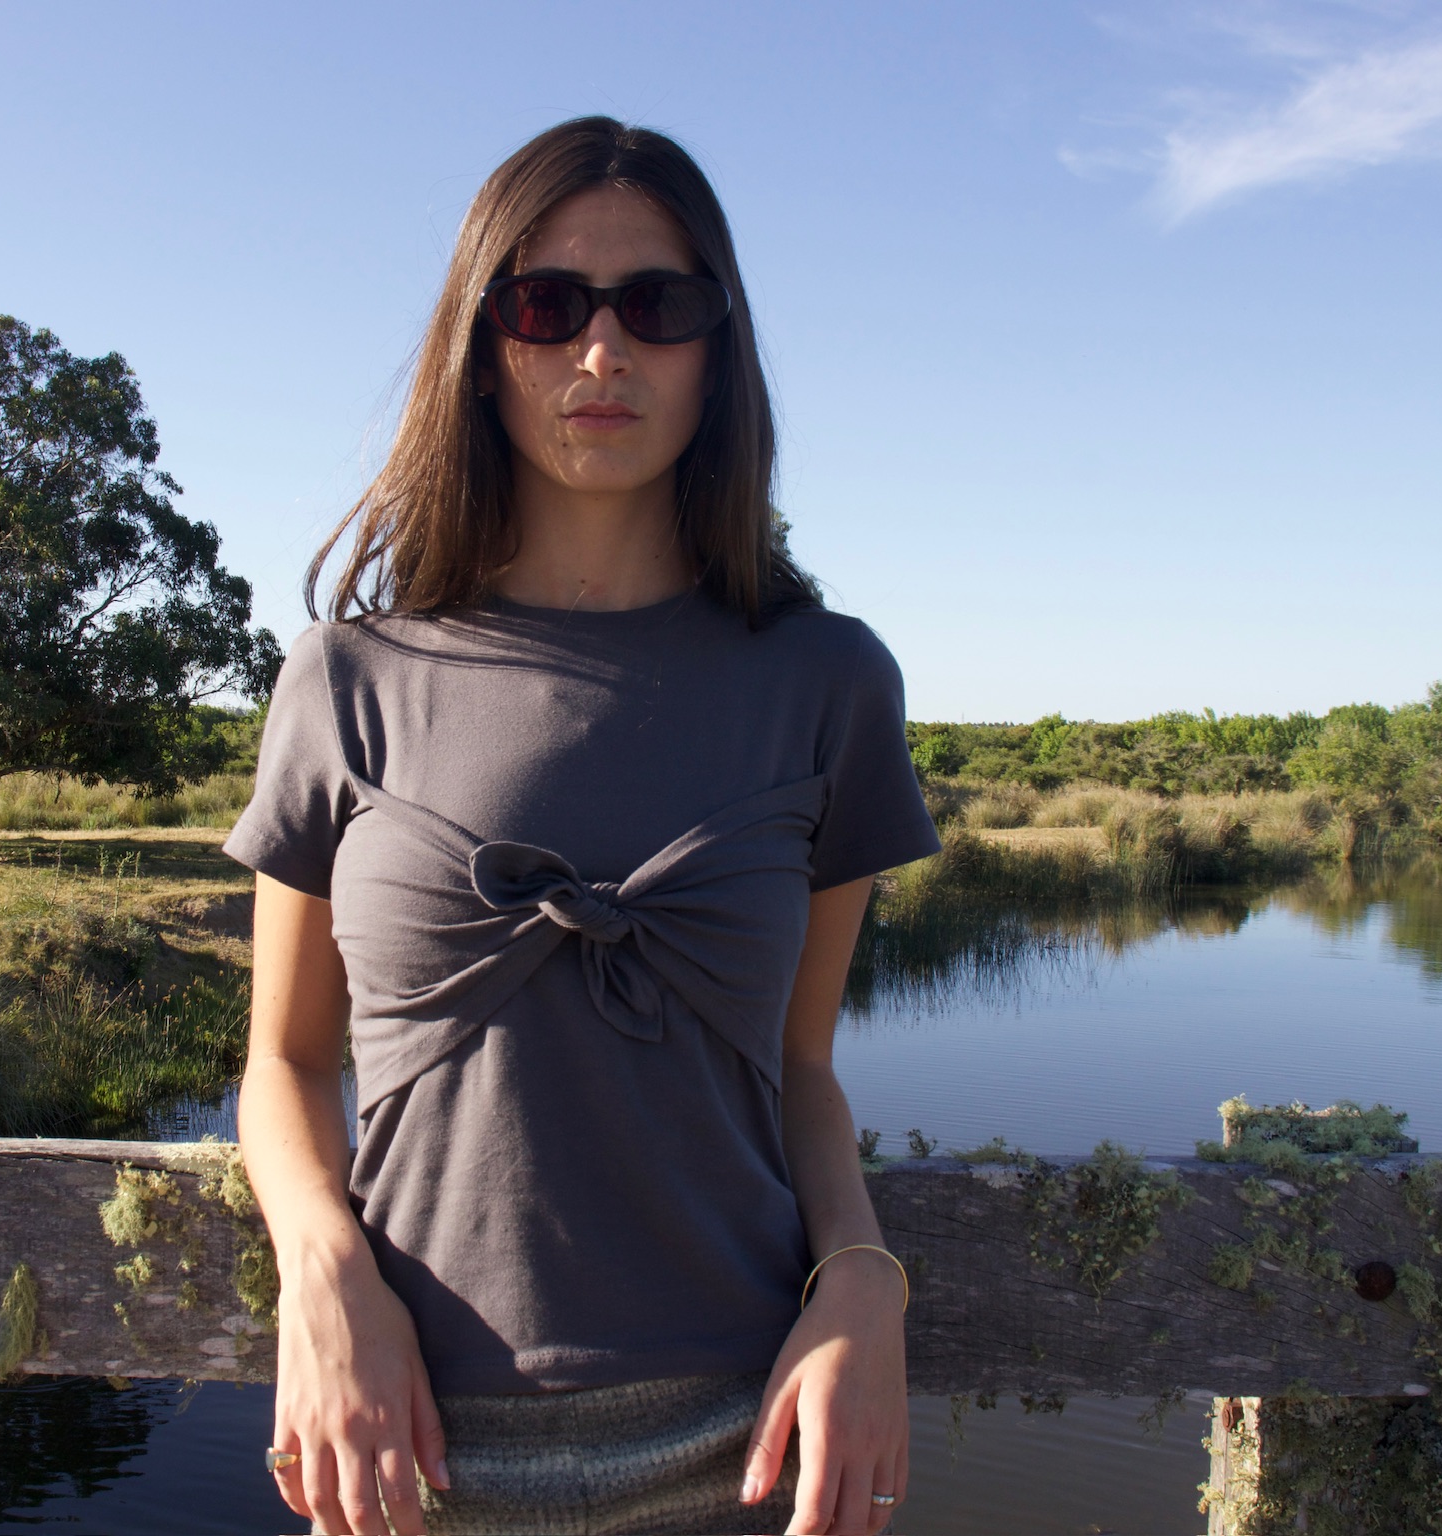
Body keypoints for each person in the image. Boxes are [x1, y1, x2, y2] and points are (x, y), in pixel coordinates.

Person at [225, 116, 941, 1536]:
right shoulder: (347, 678)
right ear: (480, 344)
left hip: (751, 1454)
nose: (602, 352)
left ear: (719, 349)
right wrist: (325, 1276)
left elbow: (800, 1068)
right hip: (407, 1457)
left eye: (657, 306)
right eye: (546, 305)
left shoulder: (828, 682)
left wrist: (863, 1278)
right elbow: (286, 1063)